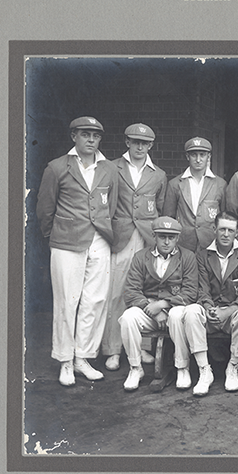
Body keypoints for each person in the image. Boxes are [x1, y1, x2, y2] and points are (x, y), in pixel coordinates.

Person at [35, 116, 119, 386]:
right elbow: (45, 208)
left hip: (100, 240)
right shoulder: (57, 167)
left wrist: (103, 231)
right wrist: (54, 235)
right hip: (67, 242)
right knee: (67, 301)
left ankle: (83, 357)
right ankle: (65, 360)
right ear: (74, 137)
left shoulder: (109, 168)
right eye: (85, 135)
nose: (91, 140)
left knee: (94, 300)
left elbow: (111, 205)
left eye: (95, 136)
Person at [119, 216, 214, 395]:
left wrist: (164, 304)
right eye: (162, 236)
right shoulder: (141, 257)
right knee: (128, 317)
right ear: (154, 236)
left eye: (171, 237)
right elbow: (131, 291)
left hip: (173, 311)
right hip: (149, 312)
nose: (167, 241)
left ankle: (182, 367)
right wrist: (153, 309)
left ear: (178, 238)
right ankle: (135, 367)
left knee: (177, 314)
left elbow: (190, 292)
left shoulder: (187, 257)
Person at [103, 123, 168, 372]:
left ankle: (140, 347)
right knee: (117, 292)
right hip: (121, 237)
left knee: (145, 291)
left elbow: (160, 209)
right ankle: (113, 349)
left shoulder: (158, 174)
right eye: (135, 141)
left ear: (151, 145)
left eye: (145, 143)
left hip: (146, 238)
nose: (140, 146)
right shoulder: (111, 167)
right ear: (127, 142)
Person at [196, 212, 238, 392]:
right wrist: (208, 307)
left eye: (230, 230)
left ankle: (233, 366)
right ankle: (204, 369)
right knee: (191, 311)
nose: (225, 234)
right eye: (222, 229)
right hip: (210, 314)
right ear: (214, 229)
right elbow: (201, 288)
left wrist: (228, 311)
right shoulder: (203, 255)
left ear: (237, 232)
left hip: (233, 315)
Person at [162, 136, 227, 253]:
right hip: (184, 243)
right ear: (187, 156)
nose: (198, 159)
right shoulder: (175, 184)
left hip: (210, 242)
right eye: (194, 155)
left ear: (209, 157)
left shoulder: (220, 184)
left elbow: (224, 217)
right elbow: (168, 216)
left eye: (202, 155)